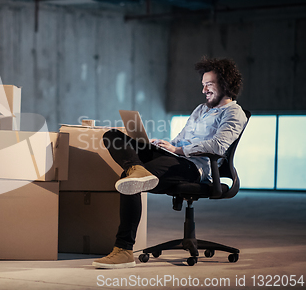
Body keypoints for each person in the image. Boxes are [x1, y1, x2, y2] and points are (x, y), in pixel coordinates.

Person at [92, 56, 248, 269]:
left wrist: (179, 150)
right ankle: (136, 168)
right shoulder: (200, 110)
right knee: (113, 136)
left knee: (128, 181)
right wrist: (165, 144)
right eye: (203, 85)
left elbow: (218, 146)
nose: (204, 90)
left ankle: (124, 250)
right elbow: (180, 139)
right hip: (175, 157)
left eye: (209, 85)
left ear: (226, 83)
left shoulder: (234, 113)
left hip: (195, 168)